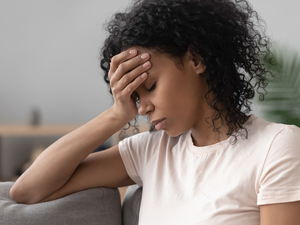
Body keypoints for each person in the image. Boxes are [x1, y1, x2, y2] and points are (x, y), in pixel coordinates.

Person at [10, 0, 300, 224]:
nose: (143, 107)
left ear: (196, 59)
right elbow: (28, 190)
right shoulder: (149, 152)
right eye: (134, 97)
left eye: (150, 86)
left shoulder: (275, 145)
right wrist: (116, 115)